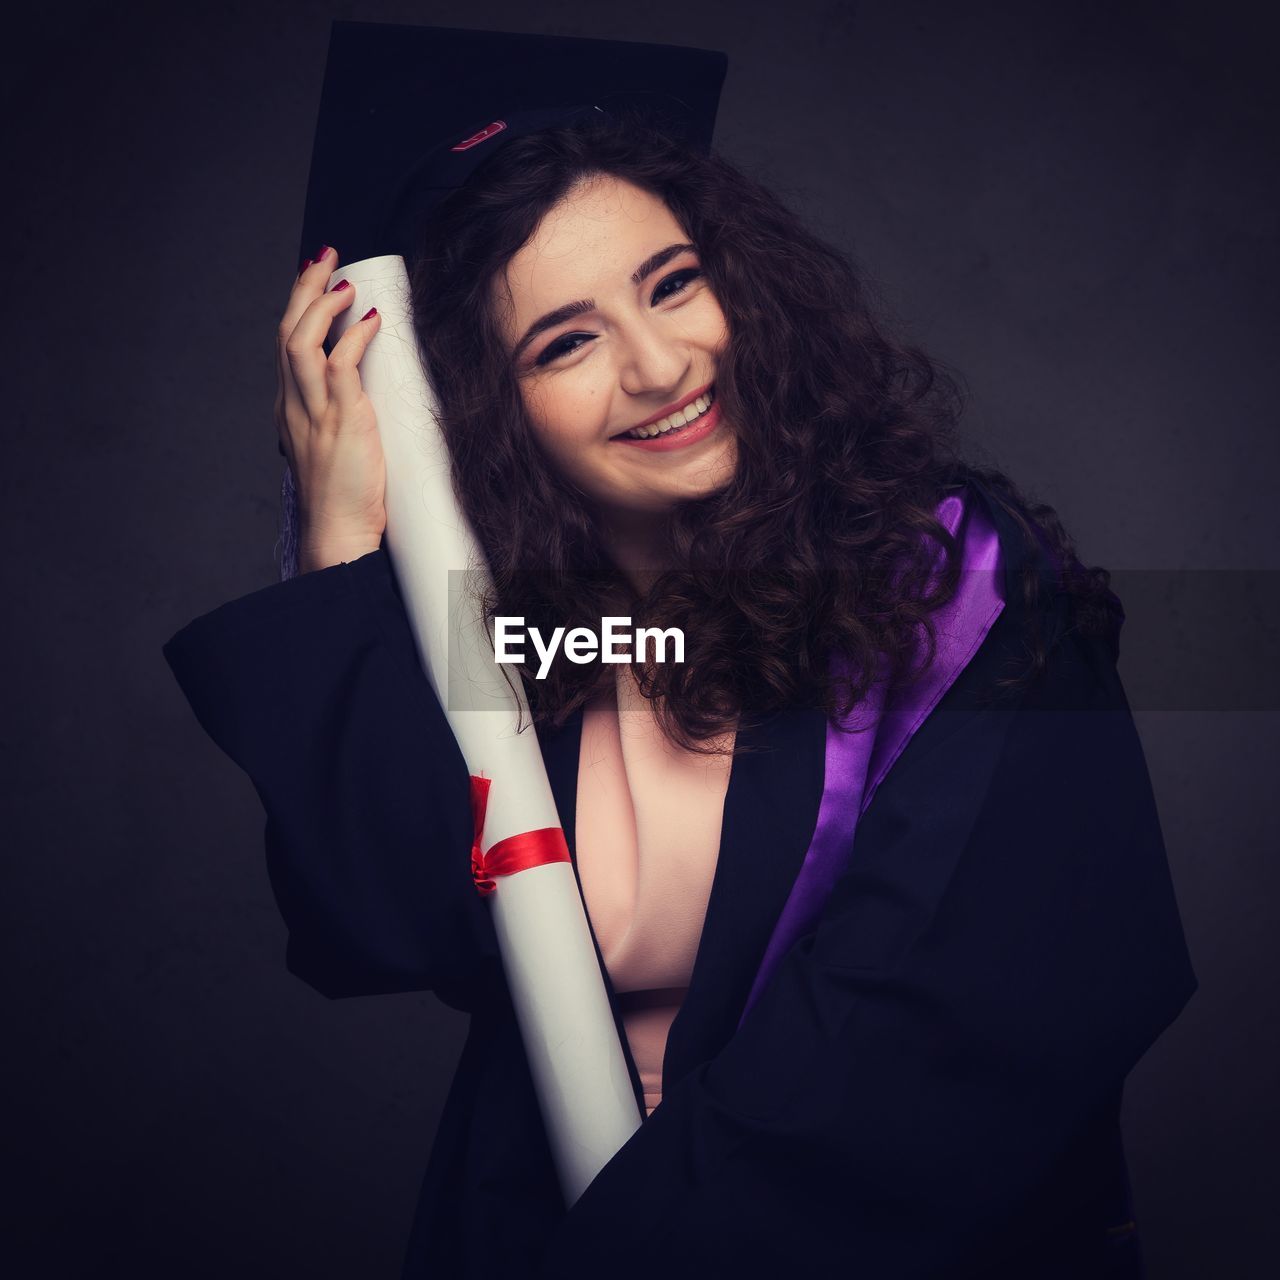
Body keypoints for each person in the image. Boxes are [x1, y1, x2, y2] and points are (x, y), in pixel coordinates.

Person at [164, 108, 1197, 1278]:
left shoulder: (943, 582)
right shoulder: (521, 642)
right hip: (561, 1220)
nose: (659, 366)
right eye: (564, 343)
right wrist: (346, 541)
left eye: (670, 284)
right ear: (485, 415)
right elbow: (377, 918)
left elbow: (949, 1016)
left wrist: (634, 1251)